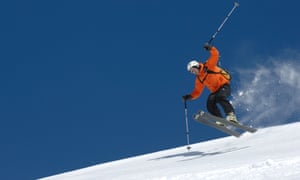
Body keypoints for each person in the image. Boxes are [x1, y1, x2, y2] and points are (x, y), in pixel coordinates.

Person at [182, 43, 238, 125]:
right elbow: (197, 91)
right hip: (215, 91)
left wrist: (210, 48)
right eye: (191, 72)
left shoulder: (208, 66)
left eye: (193, 70)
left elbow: (215, 55)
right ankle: (219, 119)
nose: (193, 72)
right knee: (210, 104)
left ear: (196, 66)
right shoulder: (199, 78)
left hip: (224, 86)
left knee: (220, 98)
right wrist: (190, 96)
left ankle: (231, 115)